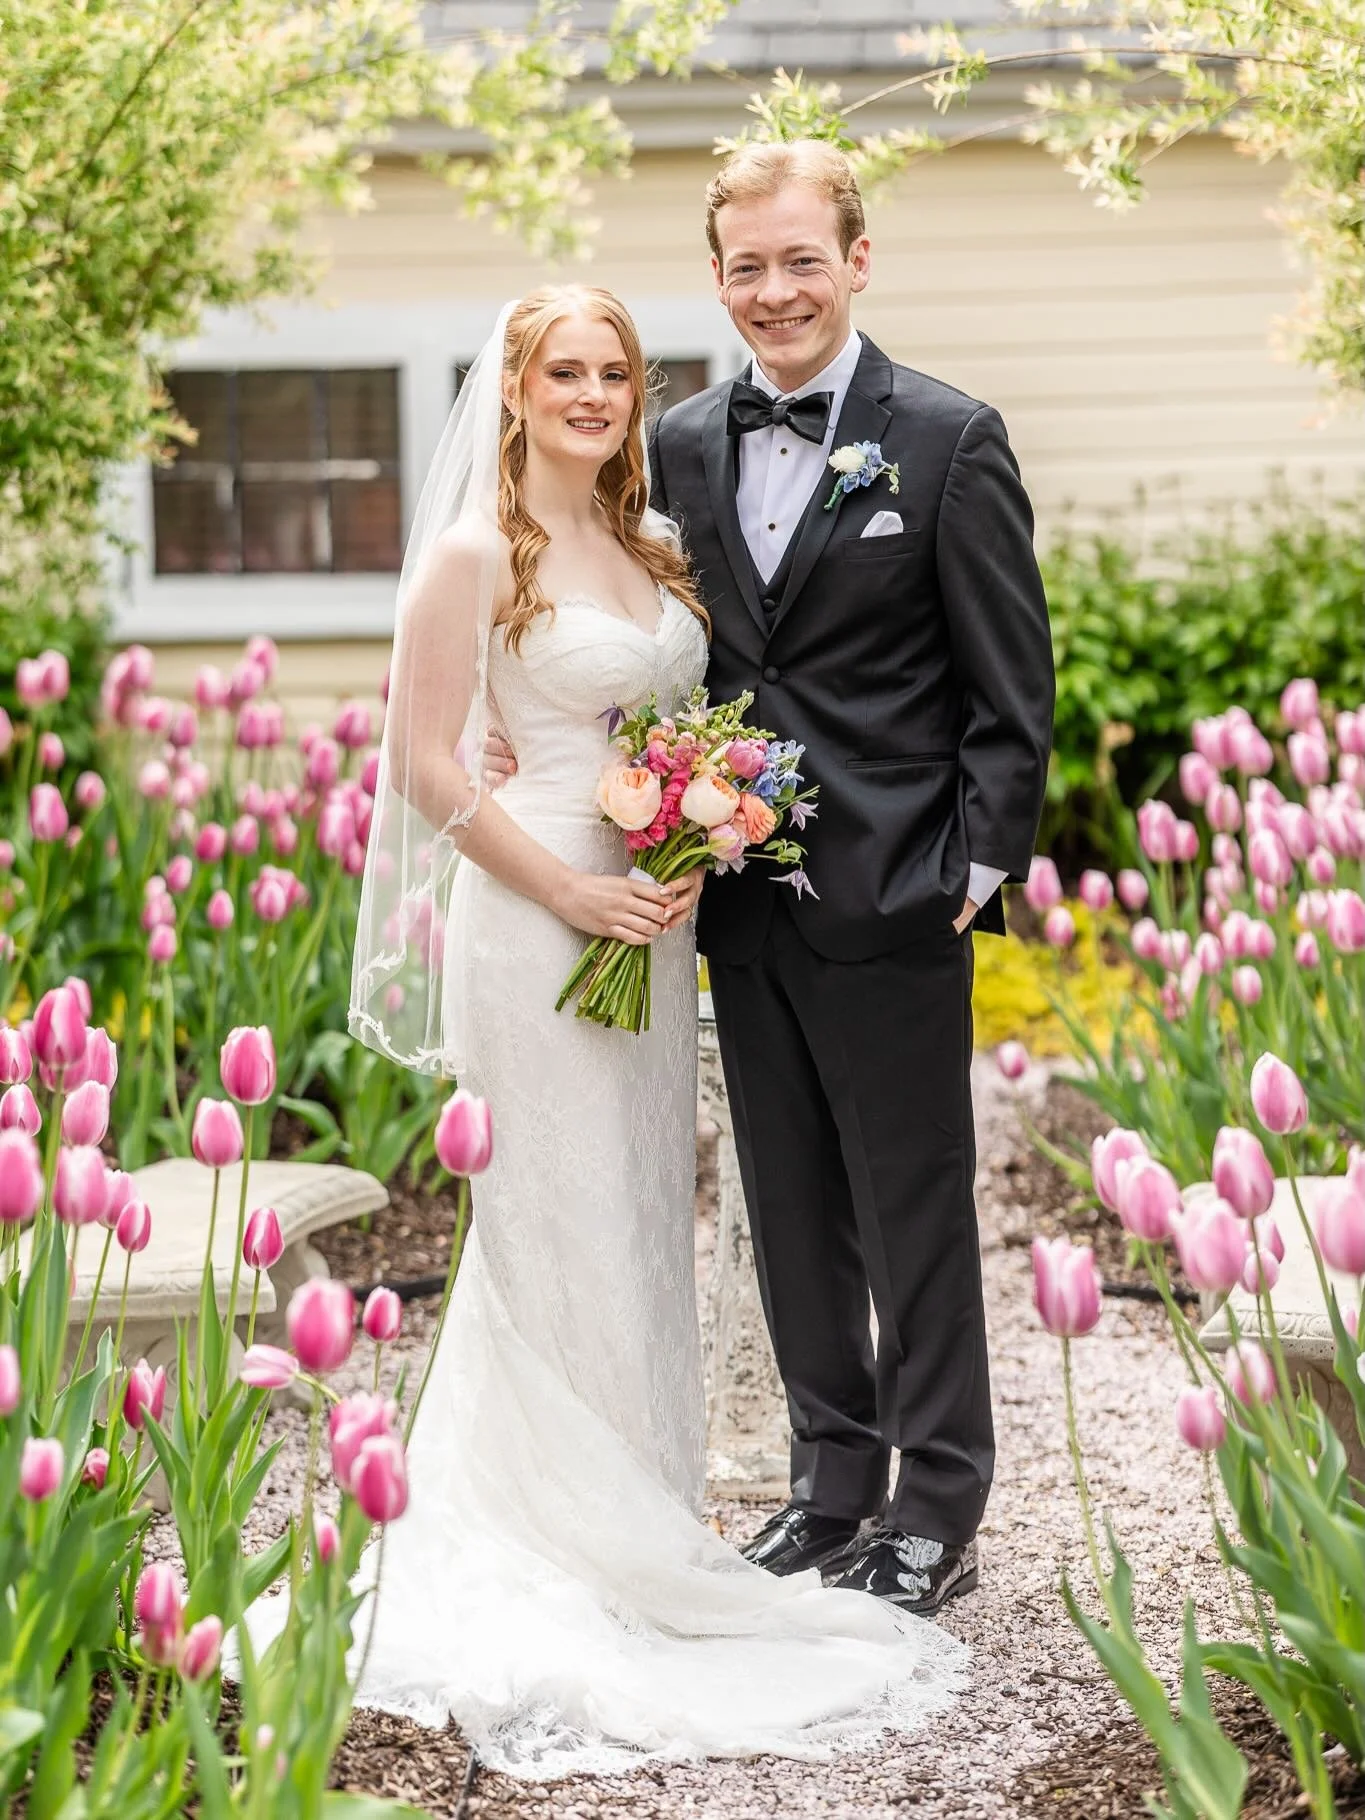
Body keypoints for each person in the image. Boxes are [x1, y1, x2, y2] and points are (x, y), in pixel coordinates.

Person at [237, 284, 965, 1780]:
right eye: (563, 370)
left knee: (642, 1214)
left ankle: (641, 1506)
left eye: (615, 370)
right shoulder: (466, 556)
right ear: (510, 388)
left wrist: (689, 837)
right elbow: (430, 765)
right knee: (553, 1220)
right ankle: (563, 1536)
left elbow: (684, 716)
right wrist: (572, 878)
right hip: (539, 919)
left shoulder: (647, 546)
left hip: (651, 917)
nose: (593, 392)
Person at [644, 140, 1055, 1614]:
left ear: (857, 260)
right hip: (740, 900)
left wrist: (979, 860)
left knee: (913, 1205)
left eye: (800, 258)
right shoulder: (680, 443)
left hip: (898, 891)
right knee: (787, 1196)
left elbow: (1012, 684)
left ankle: (939, 1496)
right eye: (746, 265)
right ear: (718, 277)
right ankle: (832, 1483)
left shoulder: (947, 439)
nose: (775, 290)